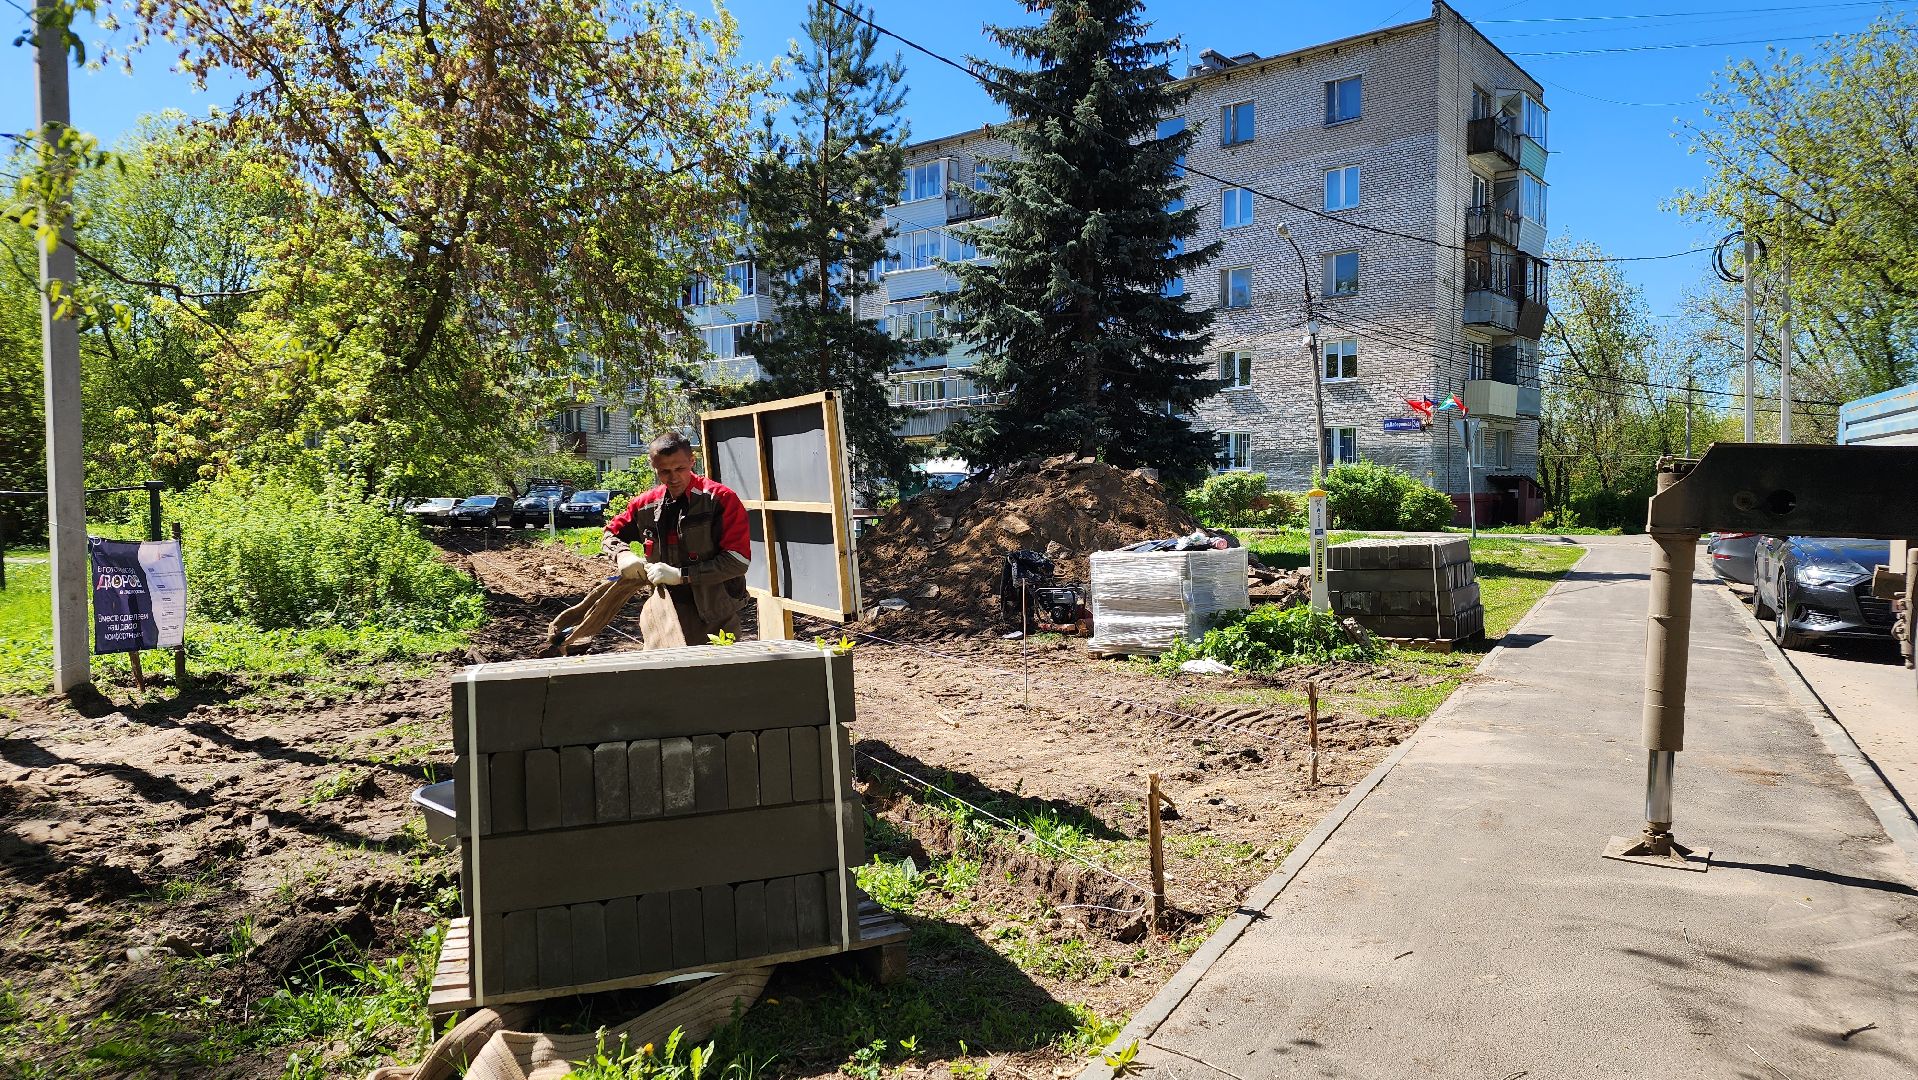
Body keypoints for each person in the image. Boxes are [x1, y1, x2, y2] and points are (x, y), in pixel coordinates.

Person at [601, 431, 751, 645]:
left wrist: (682, 575)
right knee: (664, 676)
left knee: (716, 676)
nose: (673, 478)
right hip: (663, 615)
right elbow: (611, 534)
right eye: (664, 471)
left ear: (692, 461)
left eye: (680, 469)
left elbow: (737, 562)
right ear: (655, 468)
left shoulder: (720, 500)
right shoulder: (644, 505)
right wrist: (622, 555)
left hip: (716, 615)